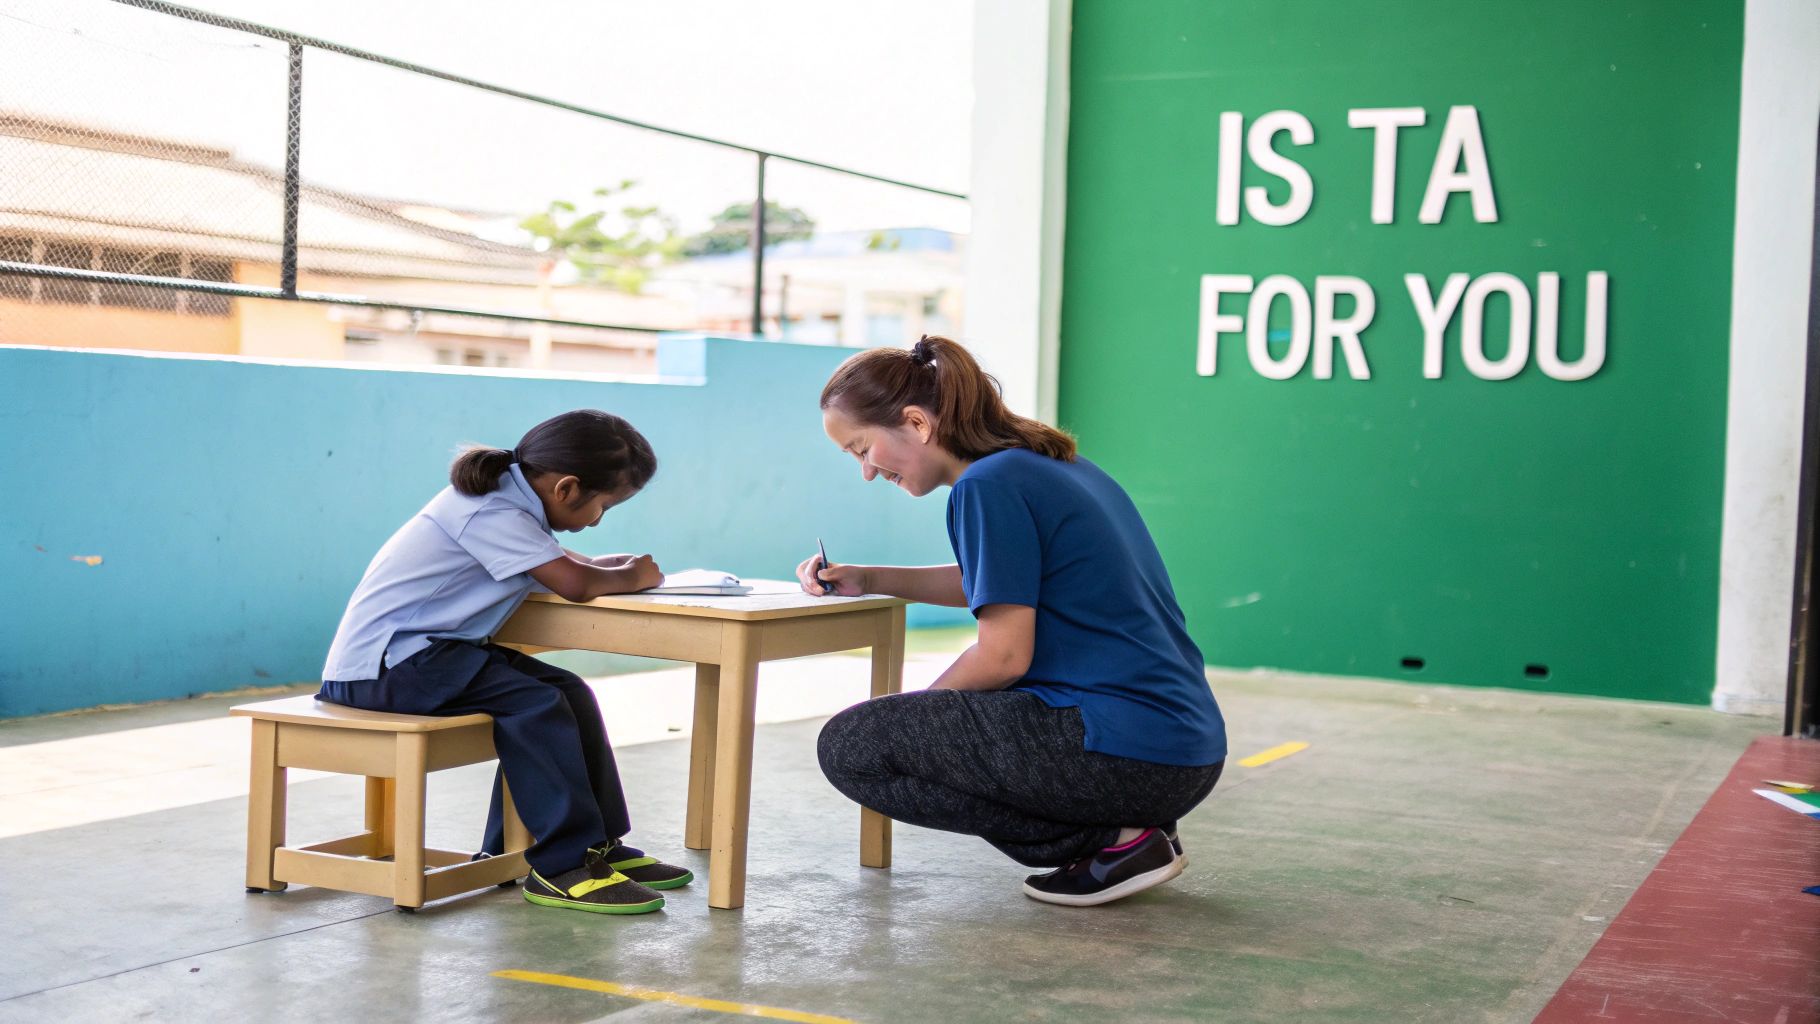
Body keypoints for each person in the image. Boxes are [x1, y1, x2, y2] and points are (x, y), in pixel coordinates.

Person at [798, 336, 1227, 907]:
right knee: (896, 732)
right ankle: (1134, 832)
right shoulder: (1048, 465)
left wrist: (918, 723)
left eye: (861, 449)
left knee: (855, 746)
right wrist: (873, 578)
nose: (866, 473)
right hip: (1182, 749)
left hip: (1127, 748)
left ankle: (1119, 842)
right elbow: (1002, 580)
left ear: (917, 424)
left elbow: (1003, 657)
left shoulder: (985, 486)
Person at [319, 409, 692, 916]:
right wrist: (632, 576)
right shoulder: (491, 512)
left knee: (571, 693)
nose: (599, 521)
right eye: (603, 507)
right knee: (538, 704)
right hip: (386, 668)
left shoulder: (508, 506)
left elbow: (571, 565)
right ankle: (561, 865)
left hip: (428, 656)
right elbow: (576, 585)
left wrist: (617, 566)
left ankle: (589, 845)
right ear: (566, 488)